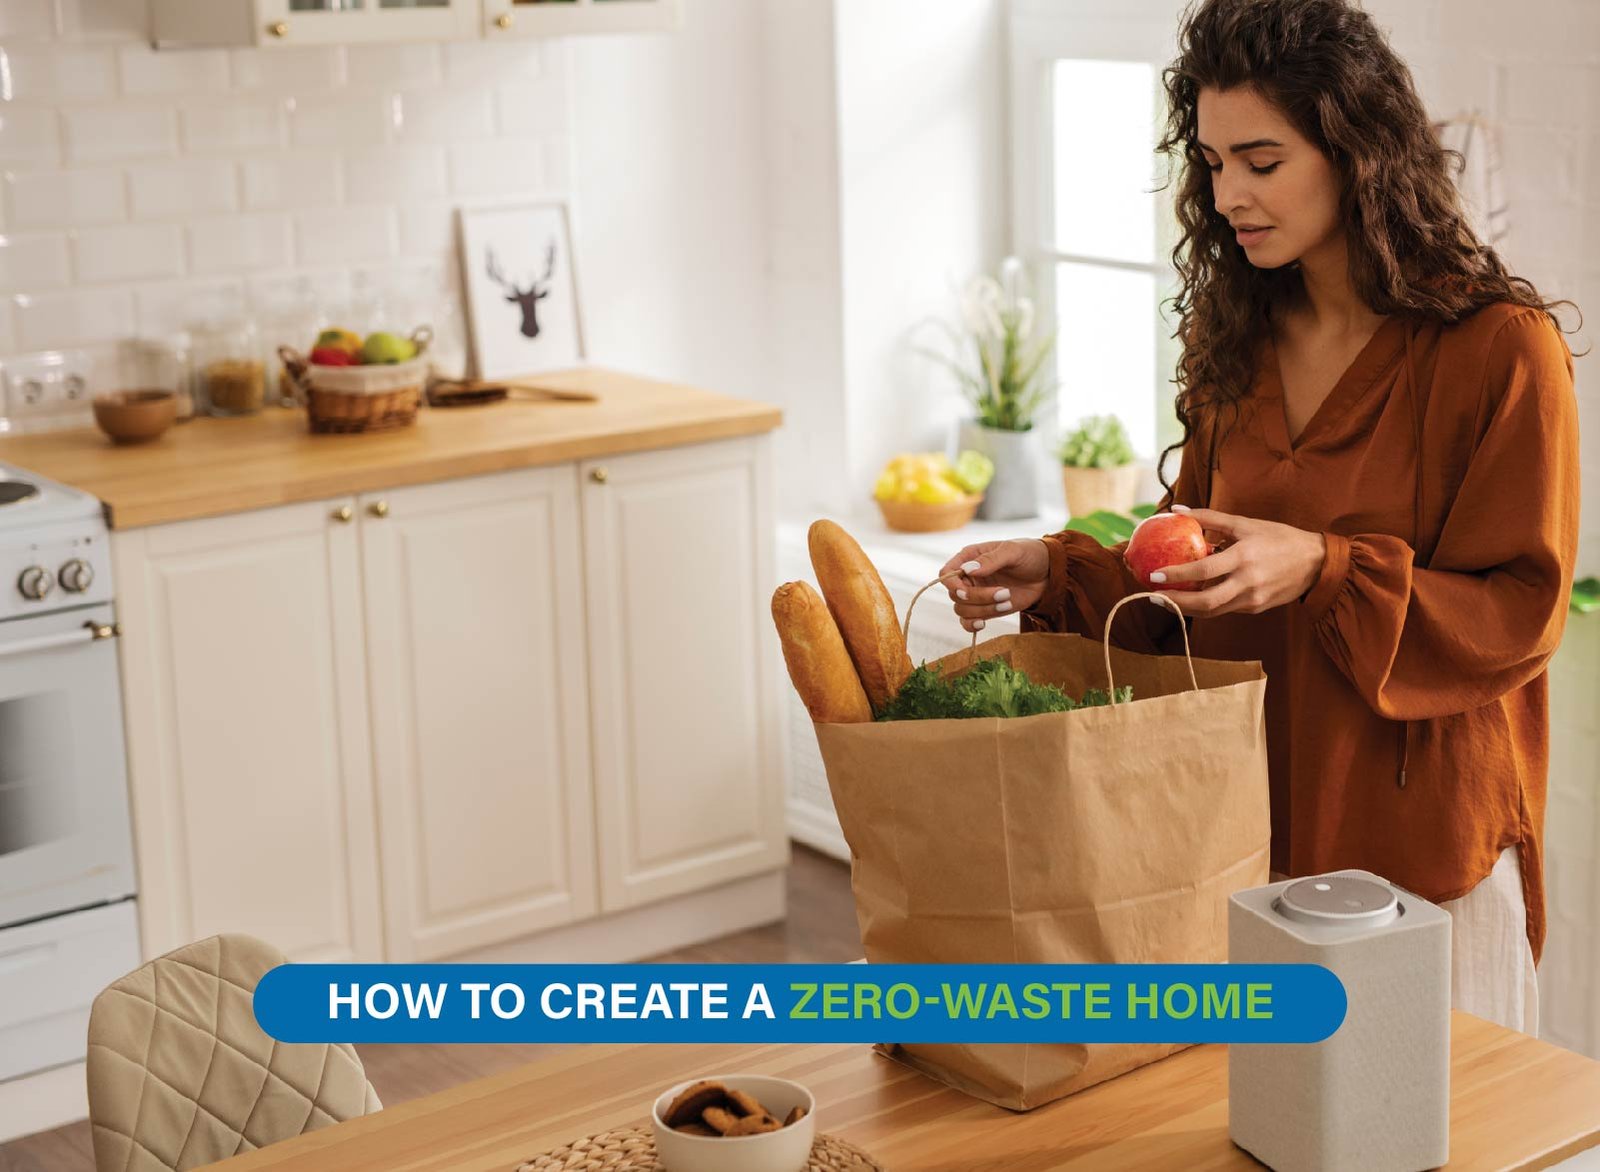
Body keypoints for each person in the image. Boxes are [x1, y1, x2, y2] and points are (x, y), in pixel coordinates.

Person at [942, 0, 1580, 1034]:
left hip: (1420, 844)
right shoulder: (1237, 336)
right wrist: (1058, 571)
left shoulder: (1498, 351)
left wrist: (1327, 567)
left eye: (1261, 160)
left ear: (1356, 152)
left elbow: (1520, 607)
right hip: (1240, 822)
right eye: (1210, 162)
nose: (1227, 193)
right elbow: (1191, 561)